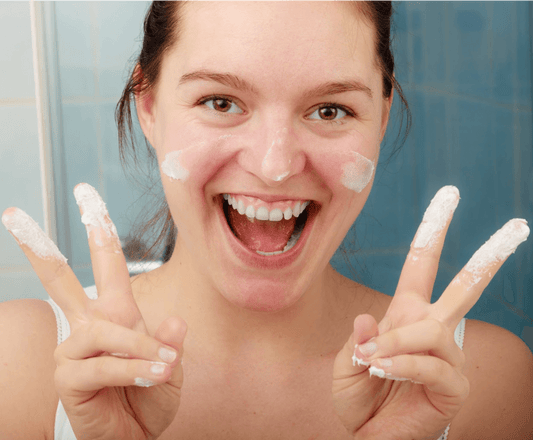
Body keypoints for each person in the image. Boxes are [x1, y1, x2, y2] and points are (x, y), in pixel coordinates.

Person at [1, 1, 532, 439]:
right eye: (221, 101)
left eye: (330, 110)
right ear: (149, 105)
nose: (276, 166)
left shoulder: (481, 381)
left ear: (382, 116)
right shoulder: (19, 366)